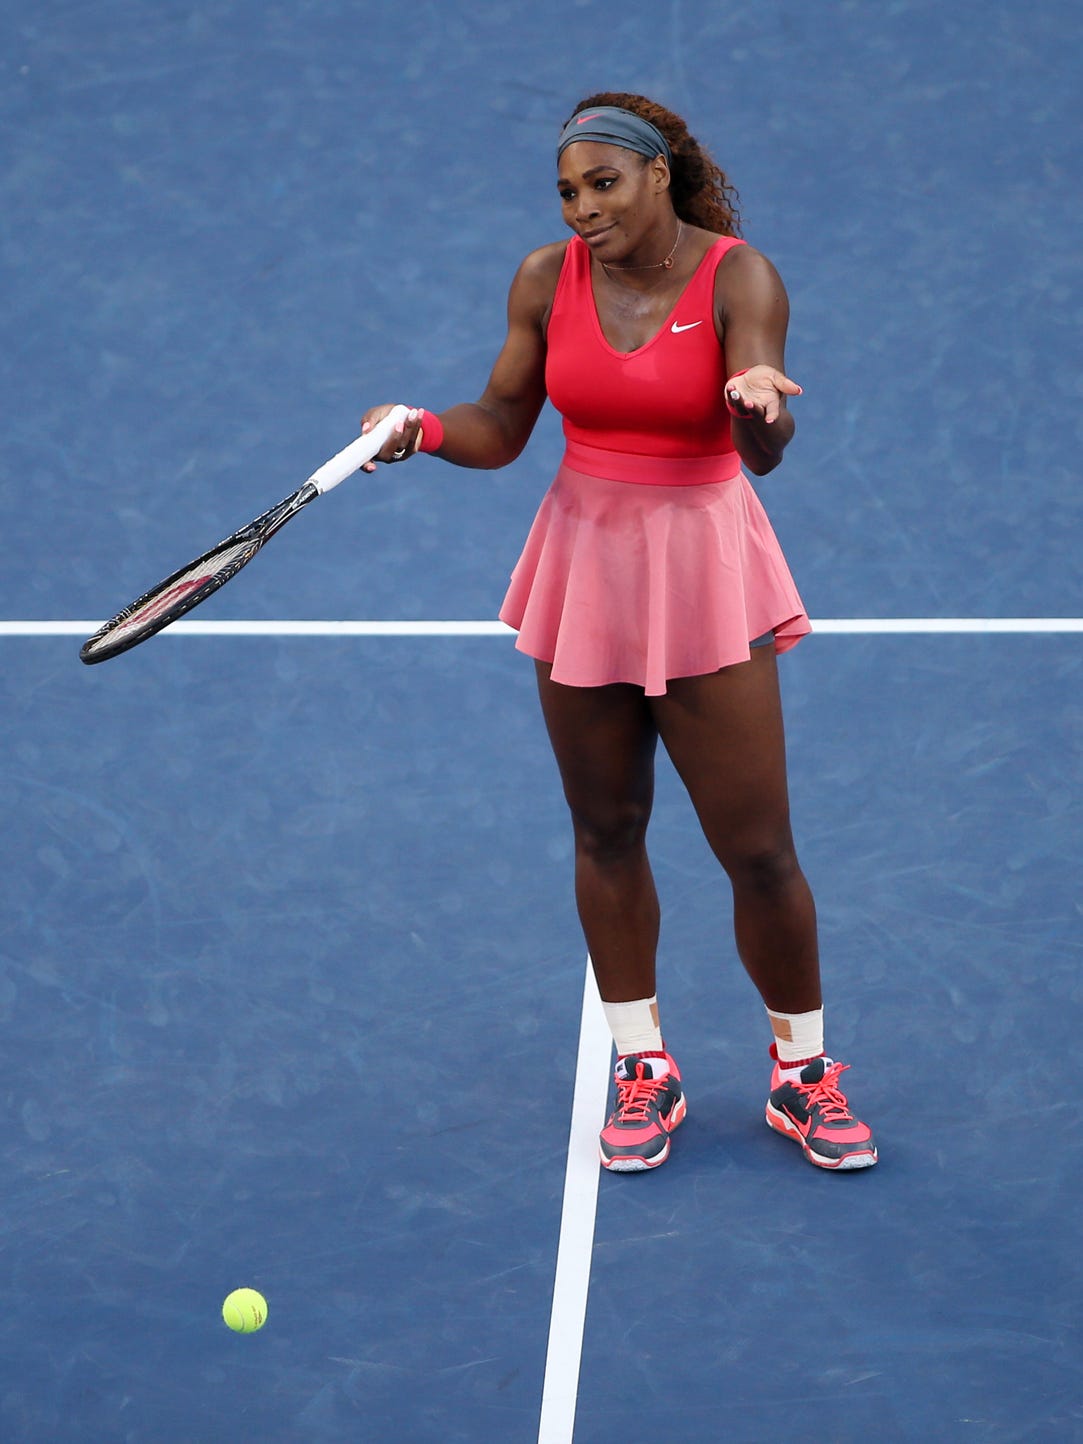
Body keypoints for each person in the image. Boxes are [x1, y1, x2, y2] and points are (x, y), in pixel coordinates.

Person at [360, 92, 877, 1173]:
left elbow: (765, 445)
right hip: (585, 566)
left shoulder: (740, 276)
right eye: (566, 189)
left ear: (660, 177)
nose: (581, 207)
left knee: (758, 848)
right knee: (605, 829)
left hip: (703, 573)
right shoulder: (546, 280)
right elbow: (504, 426)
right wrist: (426, 430)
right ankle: (642, 1061)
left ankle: (802, 1074)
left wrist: (757, 409)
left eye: (603, 183)